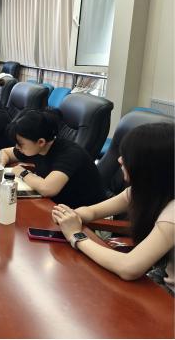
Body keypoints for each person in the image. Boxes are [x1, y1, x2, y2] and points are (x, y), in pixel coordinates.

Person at [52, 123, 174, 291]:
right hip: (162, 274)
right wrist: (70, 215)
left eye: (127, 156)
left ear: (150, 166)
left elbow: (129, 268)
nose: (119, 159)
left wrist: (76, 236)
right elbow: (93, 211)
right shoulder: (146, 191)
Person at [0, 109, 105, 208]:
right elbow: (4, 152)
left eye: (20, 144)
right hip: (55, 206)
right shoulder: (34, 147)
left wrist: (22, 173)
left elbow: (48, 189)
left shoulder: (70, 153)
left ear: (41, 142)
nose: (17, 147)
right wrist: (0, 163)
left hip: (85, 217)